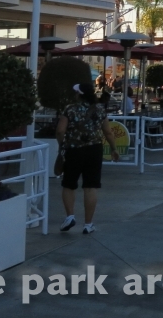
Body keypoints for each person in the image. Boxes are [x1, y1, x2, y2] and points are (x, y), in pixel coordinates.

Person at [57, 82, 119, 234]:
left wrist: (62, 145)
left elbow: (60, 131)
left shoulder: (70, 109)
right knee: (91, 186)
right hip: (94, 149)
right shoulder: (99, 109)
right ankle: (88, 224)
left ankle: (70, 216)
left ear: (80, 94)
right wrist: (113, 148)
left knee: (69, 184)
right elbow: (108, 132)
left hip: (74, 150)